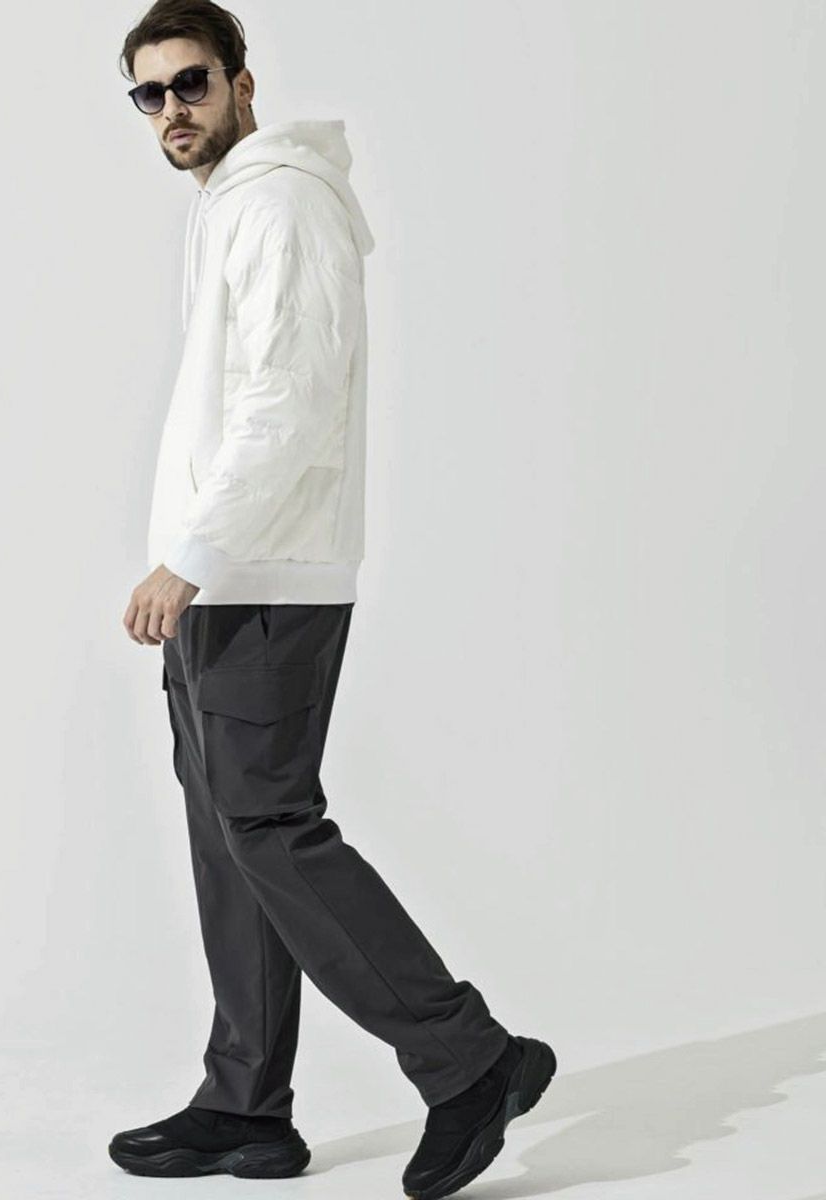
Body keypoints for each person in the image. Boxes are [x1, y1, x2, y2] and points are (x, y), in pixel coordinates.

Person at [113, 3, 556, 1196]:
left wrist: (192, 552)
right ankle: (247, 1105)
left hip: (260, 575)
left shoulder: (282, 202)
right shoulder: (227, 204)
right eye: (150, 94)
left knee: (267, 826)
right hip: (223, 579)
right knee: (232, 840)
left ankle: (470, 1059)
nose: (172, 110)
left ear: (241, 82)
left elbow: (291, 400)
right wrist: (193, 561)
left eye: (191, 82)